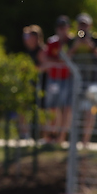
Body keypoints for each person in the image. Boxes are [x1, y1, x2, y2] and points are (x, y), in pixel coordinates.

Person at [69, 13, 97, 148]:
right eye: (81, 24)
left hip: (92, 83)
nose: (83, 27)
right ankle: (71, 140)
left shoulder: (96, 39)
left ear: (90, 26)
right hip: (74, 82)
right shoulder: (72, 40)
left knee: (90, 112)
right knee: (72, 112)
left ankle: (85, 142)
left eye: (85, 25)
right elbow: (64, 57)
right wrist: (75, 47)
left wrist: (91, 46)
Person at [41, 16, 73, 145]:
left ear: (68, 28)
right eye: (60, 28)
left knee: (66, 108)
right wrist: (60, 62)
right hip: (54, 79)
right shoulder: (52, 42)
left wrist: (59, 61)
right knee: (52, 107)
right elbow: (47, 59)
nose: (62, 30)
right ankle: (50, 135)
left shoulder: (72, 42)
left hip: (67, 79)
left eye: (64, 27)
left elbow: (72, 58)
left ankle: (62, 137)